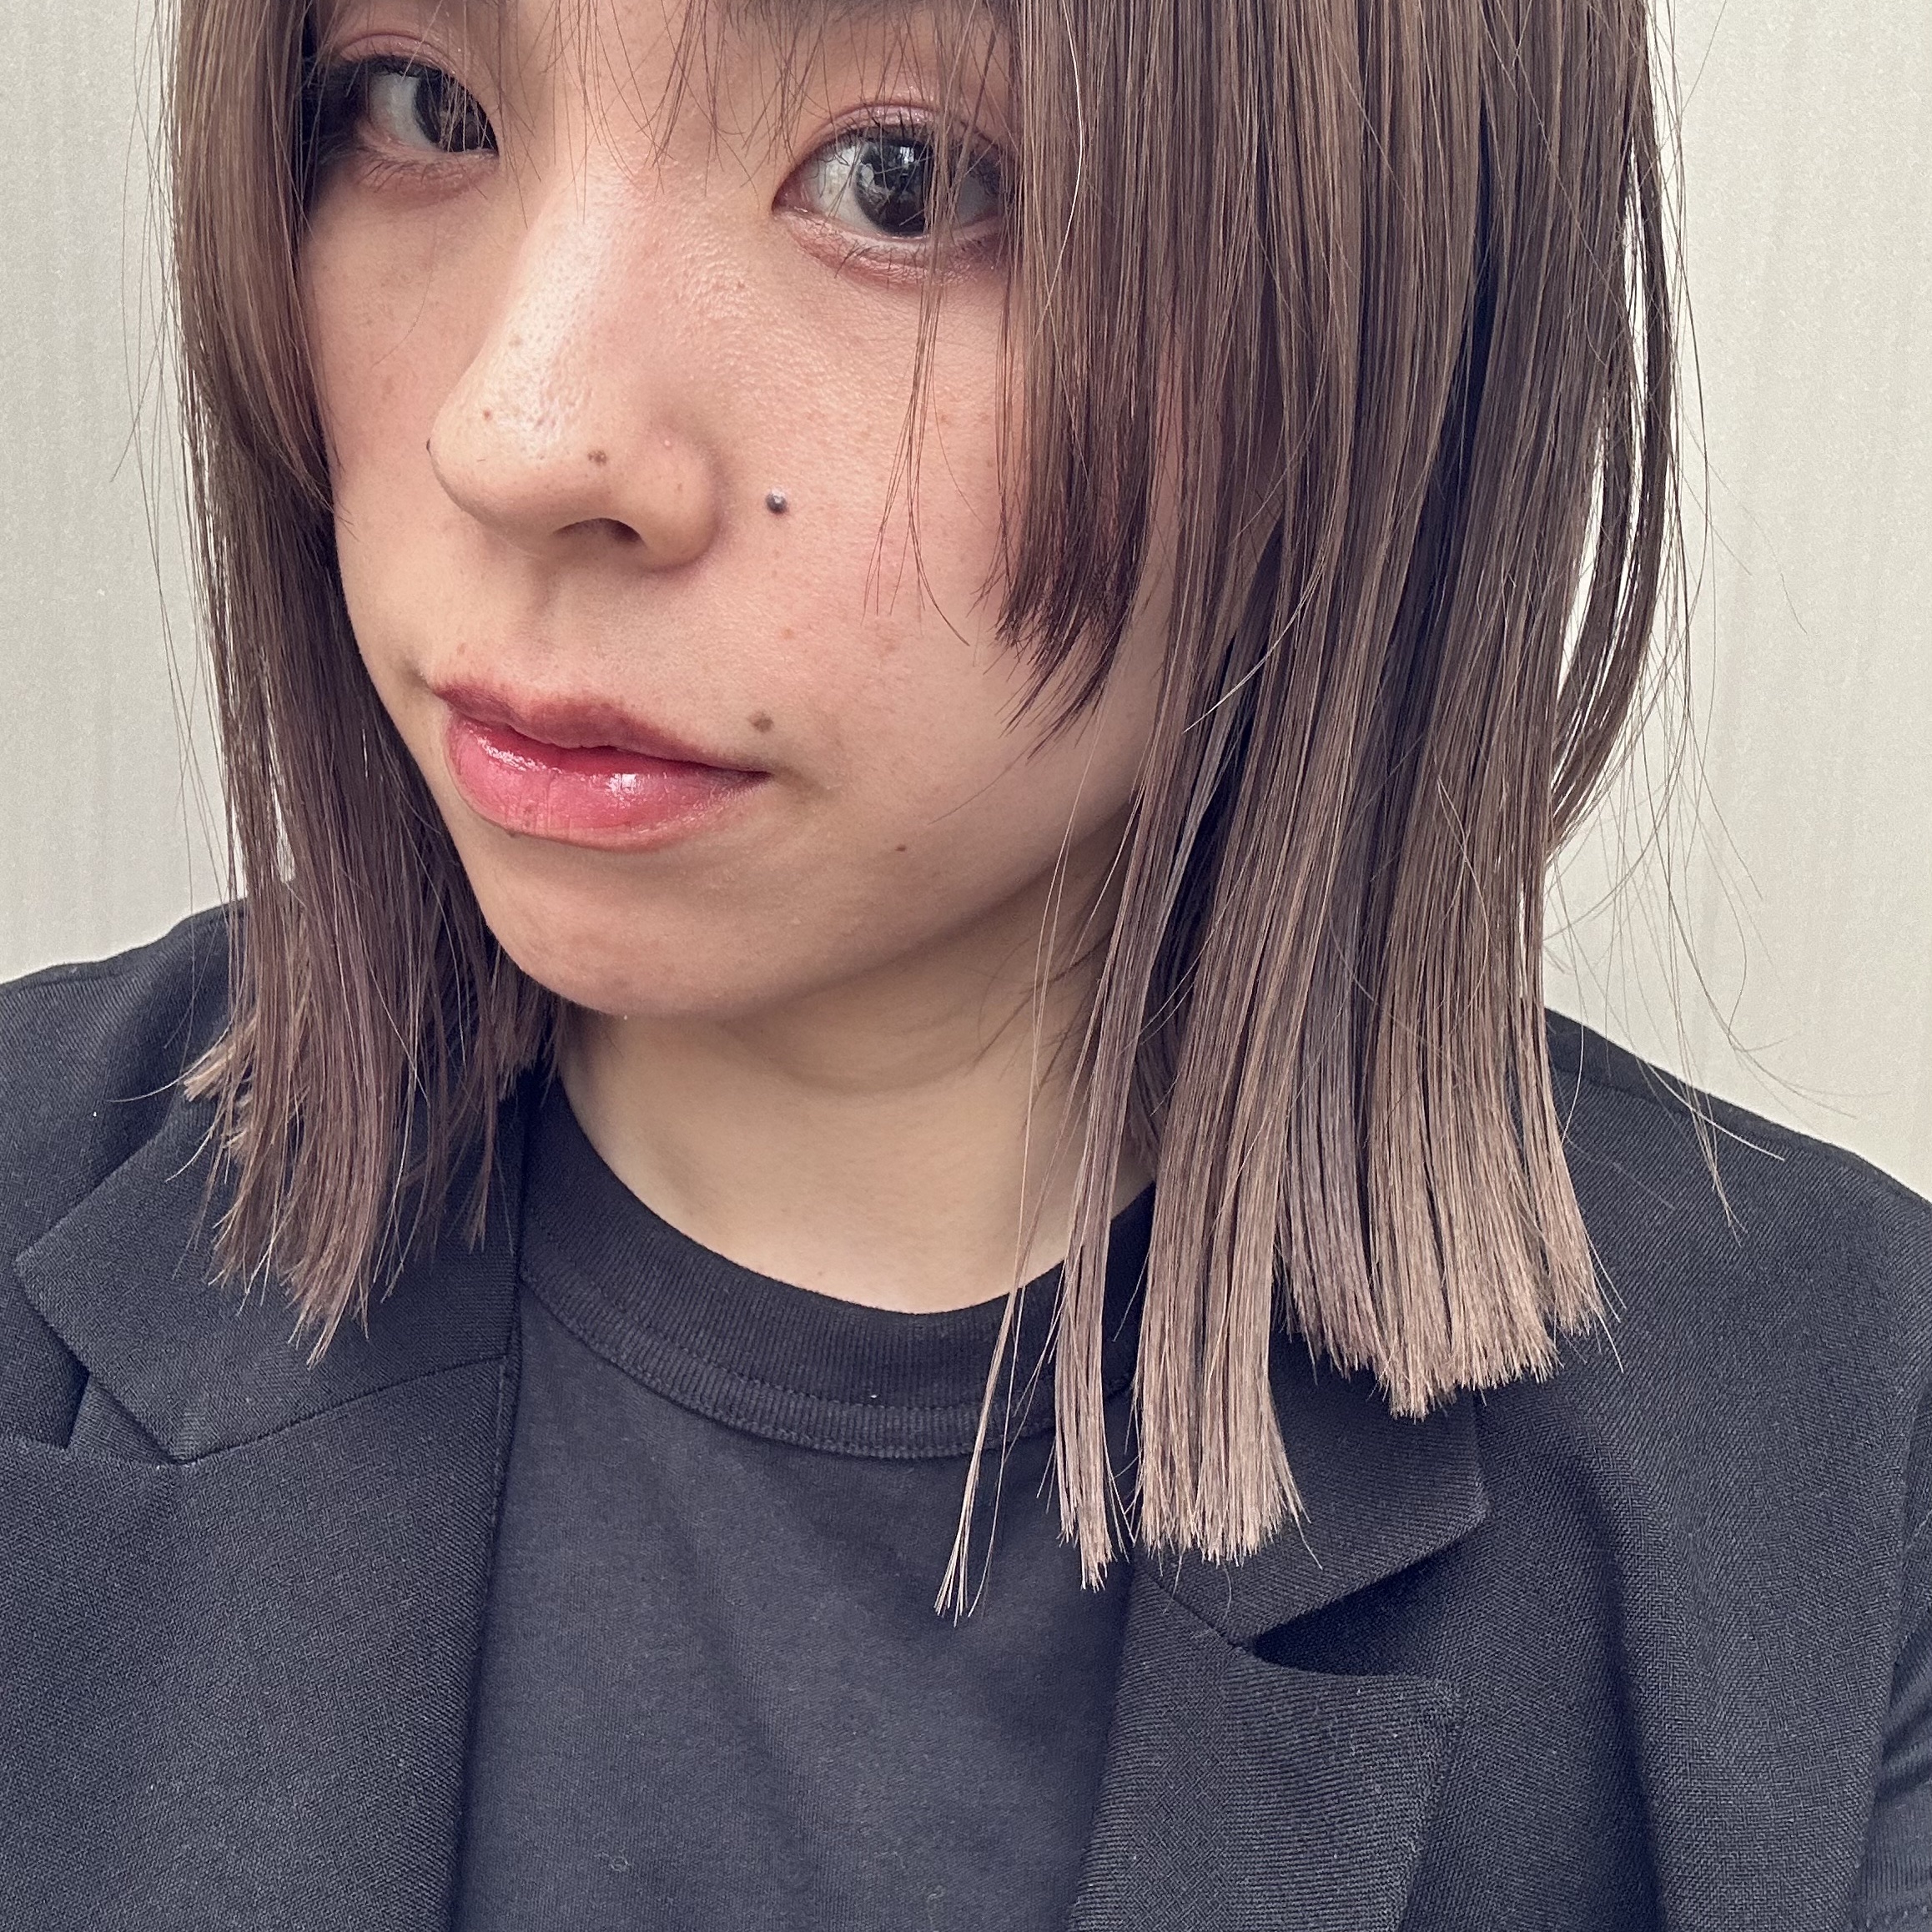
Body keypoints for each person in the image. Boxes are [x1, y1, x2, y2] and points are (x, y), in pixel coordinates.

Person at [2, 0, 1926, 1924]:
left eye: (903, 180)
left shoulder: (1853, 1514)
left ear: (1393, 287)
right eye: (425, 107)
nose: (516, 434)